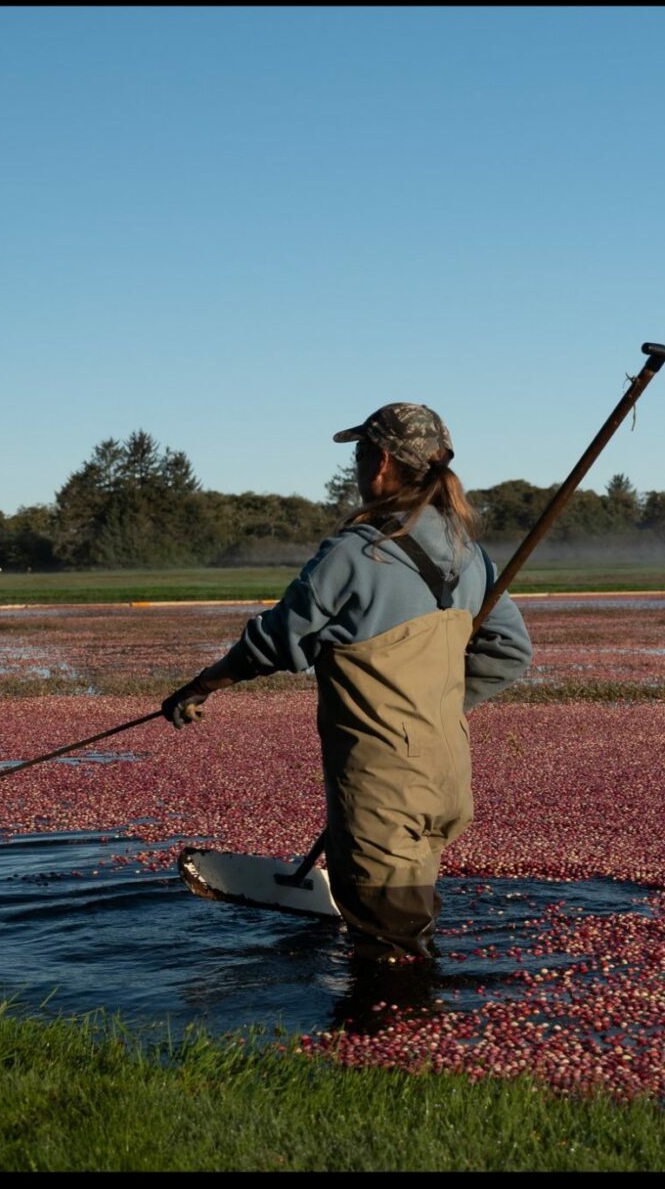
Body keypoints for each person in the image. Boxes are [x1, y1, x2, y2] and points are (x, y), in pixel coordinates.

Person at [161, 403, 533, 961]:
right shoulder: (469, 553)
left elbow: (277, 639)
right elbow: (509, 651)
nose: (358, 467)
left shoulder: (357, 553)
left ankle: (390, 1042)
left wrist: (201, 685)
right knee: (406, 914)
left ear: (380, 462)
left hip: (384, 787)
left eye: (360, 454)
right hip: (445, 773)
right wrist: (433, 705)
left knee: (391, 952)